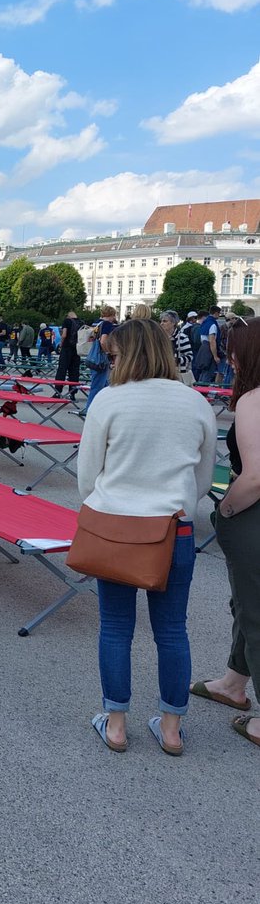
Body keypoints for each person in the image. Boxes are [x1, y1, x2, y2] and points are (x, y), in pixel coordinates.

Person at [78, 318, 216, 754]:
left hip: (117, 524)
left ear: (129, 354)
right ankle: (171, 727)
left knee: (116, 627)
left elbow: (87, 476)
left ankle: (116, 722)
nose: (109, 360)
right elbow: (203, 476)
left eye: (114, 354)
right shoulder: (195, 403)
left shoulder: (109, 400)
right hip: (173, 524)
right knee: (172, 629)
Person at [191, 316, 260, 750]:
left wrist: (227, 509)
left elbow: (254, 478)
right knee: (246, 603)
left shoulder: (254, 400)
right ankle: (234, 681)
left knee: (255, 612)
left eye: (233, 349)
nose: (228, 357)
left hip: (252, 514)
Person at [81, 305, 118, 417]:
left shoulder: (96, 323)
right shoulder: (107, 324)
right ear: (111, 315)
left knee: (105, 384)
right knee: (97, 385)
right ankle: (89, 409)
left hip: (93, 356)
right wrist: (108, 352)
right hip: (101, 358)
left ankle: (105, 407)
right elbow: (103, 341)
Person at [158, 310, 193, 385]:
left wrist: (177, 360)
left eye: (165, 321)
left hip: (179, 376)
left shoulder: (182, 337)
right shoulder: (159, 338)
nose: (161, 324)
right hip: (162, 375)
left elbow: (190, 356)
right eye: (161, 321)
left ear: (173, 323)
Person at [54, 310, 81, 399]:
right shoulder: (81, 322)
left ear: (68, 316)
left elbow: (64, 334)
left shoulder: (67, 321)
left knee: (62, 370)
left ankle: (58, 391)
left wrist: (61, 344)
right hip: (77, 349)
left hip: (67, 348)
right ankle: (72, 393)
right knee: (74, 371)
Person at [193, 307, 221, 385]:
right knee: (208, 373)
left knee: (203, 372)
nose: (219, 315)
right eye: (219, 313)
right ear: (216, 313)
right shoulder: (212, 324)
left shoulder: (204, 322)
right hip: (209, 349)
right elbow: (212, 341)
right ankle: (203, 392)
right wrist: (215, 356)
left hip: (203, 347)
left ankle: (199, 389)